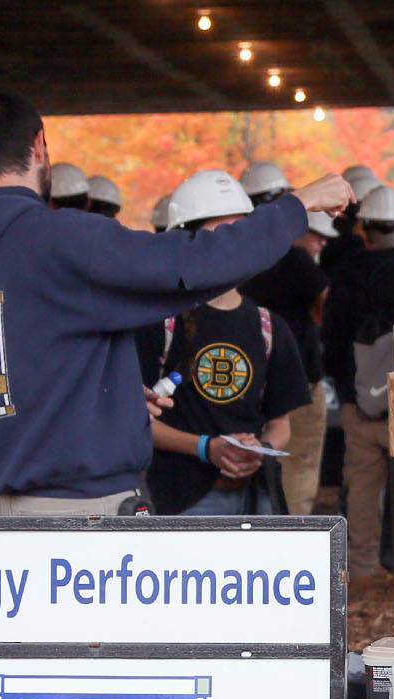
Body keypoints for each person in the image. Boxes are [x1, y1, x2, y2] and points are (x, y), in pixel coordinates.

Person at [0, 89, 351, 517]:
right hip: (85, 509)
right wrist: (295, 207)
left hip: (11, 512)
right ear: (39, 144)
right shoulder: (59, 239)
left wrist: (107, 402)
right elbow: (189, 265)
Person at [141, 170, 312, 516]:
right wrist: (205, 448)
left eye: (241, 234)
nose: (234, 248)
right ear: (186, 240)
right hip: (179, 501)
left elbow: (281, 424)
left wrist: (257, 450)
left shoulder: (269, 327)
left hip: (255, 499)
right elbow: (135, 419)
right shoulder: (157, 323)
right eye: (222, 235)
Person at [324, 185, 394, 580]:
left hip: (358, 408)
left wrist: (350, 391)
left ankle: (362, 570)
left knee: (362, 490)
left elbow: (331, 341)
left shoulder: (344, 279)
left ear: (364, 229)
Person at [239, 160, 333, 516]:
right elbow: (327, 305)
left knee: (246, 465)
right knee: (299, 467)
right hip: (298, 380)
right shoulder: (293, 259)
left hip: (244, 379)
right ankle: (292, 541)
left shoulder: (233, 257)